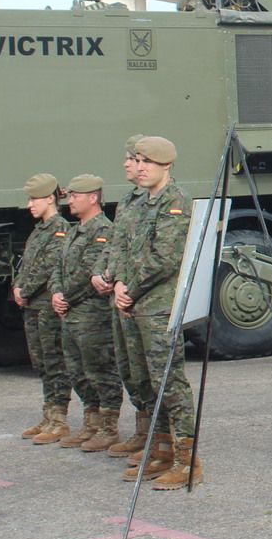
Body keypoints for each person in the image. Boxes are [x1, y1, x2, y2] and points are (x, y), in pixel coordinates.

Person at [114, 135, 203, 489]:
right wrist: (119, 283)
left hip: (159, 307)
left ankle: (187, 460)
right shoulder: (141, 203)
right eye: (137, 160)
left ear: (165, 165)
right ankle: (163, 450)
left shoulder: (173, 202)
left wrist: (130, 288)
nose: (139, 167)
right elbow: (124, 248)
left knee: (170, 383)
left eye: (146, 162)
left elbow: (163, 260)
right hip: (135, 304)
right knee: (147, 383)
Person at [92, 136, 155, 460]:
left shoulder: (154, 201)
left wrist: (125, 286)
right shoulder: (129, 200)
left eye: (133, 158)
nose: (128, 164)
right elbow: (116, 245)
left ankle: (159, 440)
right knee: (129, 368)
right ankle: (143, 431)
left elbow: (154, 255)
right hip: (121, 295)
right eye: (130, 158)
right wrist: (103, 275)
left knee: (149, 371)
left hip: (139, 297)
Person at [50, 174, 123, 451]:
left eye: (75, 196)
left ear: (93, 198)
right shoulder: (74, 230)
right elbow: (59, 266)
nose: (70, 200)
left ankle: (108, 428)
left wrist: (65, 297)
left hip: (92, 315)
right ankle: (91, 423)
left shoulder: (103, 230)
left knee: (100, 369)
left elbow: (88, 272)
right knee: (77, 371)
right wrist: (56, 292)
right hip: (71, 314)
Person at [12, 173, 71, 444]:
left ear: (50, 199)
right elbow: (25, 265)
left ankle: (59, 419)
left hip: (46, 305)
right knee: (42, 363)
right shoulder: (39, 231)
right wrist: (16, 286)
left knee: (54, 360)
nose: (30, 205)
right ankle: (48, 415)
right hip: (33, 306)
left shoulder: (59, 229)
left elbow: (48, 266)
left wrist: (24, 290)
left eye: (34, 199)